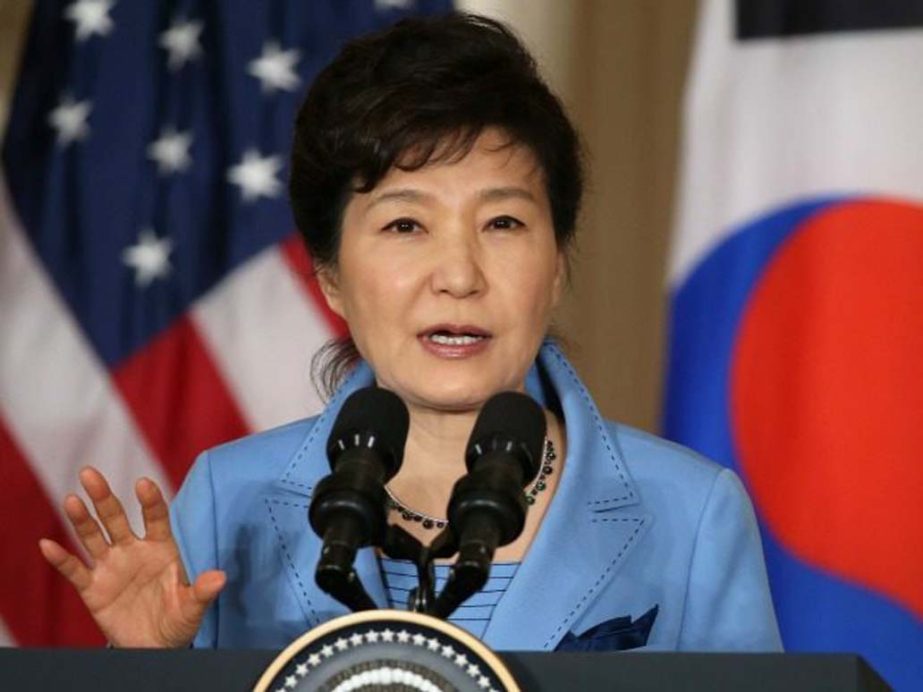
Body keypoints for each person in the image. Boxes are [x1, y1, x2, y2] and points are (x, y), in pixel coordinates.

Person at [39, 13, 782, 652]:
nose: (458, 275)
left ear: (556, 264)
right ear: (329, 275)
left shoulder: (690, 515)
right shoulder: (227, 501)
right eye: (404, 224)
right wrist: (142, 670)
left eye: (502, 223)